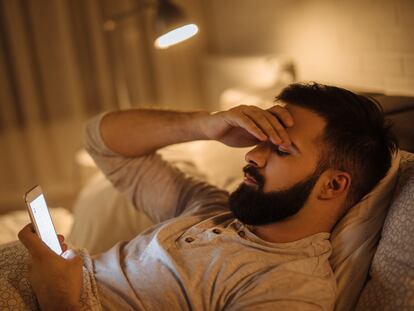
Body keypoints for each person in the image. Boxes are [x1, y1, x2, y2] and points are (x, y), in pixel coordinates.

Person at [4, 82, 397, 310]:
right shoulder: (213, 209)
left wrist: (57, 295)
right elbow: (102, 142)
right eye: (260, 139)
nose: (252, 154)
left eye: (279, 149)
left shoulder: (289, 289)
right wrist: (205, 125)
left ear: (333, 185)